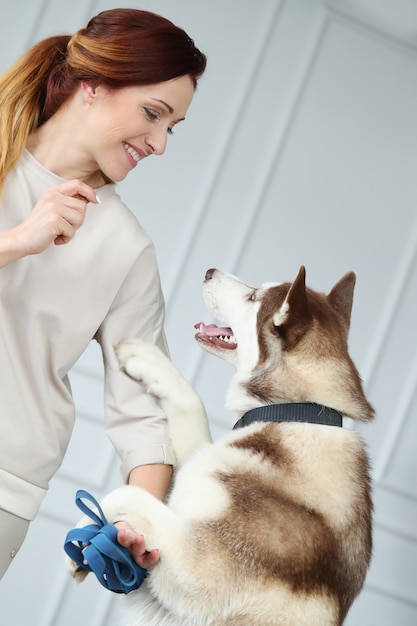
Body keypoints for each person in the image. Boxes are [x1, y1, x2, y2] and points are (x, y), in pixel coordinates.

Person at [0, 8, 206, 579]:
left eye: (172, 126)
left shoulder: (127, 248)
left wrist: (142, 520)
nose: (161, 144)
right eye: (153, 113)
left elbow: (143, 414)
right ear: (92, 85)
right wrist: (19, 241)